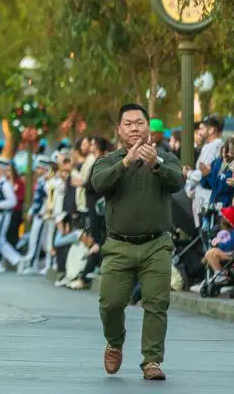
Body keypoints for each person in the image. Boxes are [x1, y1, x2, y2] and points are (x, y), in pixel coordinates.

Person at [92, 103, 185, 382]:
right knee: (110, 303)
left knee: (156, 303)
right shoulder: (108, 160)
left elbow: (178, 181)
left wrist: (155, 164)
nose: (134, 128)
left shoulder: (166, 158)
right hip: (118, 245)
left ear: (149, 128)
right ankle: (114, 342)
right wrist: (124, 164)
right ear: (119, 130)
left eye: (140, 123)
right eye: (128, 123)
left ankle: (152, 361)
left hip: (157, 244)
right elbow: (98, 184)